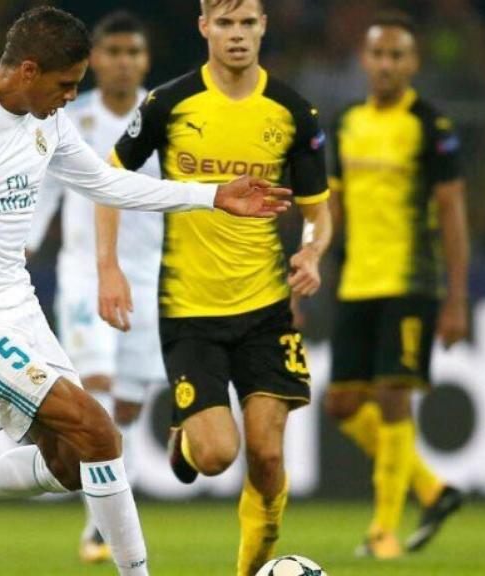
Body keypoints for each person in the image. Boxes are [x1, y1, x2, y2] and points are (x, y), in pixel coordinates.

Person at [0, 7, 291, 576]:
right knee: (99, 432)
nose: (71, 97)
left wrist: (211, 196)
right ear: (29, 70)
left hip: (19, 310)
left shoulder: (46, 118)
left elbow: (105, 182)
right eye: (65, 85)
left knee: (69, 464)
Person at [99, 0, 332, 574]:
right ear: (204, 27)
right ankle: (187, 435)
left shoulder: (294, 111)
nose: (236, 35)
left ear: (262, 28)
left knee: (269, 454)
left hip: (266, 306)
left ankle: (250, 570)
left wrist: (312, 249)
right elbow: (109, 178)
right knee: (216, 457)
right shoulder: (168, 104)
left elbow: (317, 209)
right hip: (189, 309)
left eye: (246, 23)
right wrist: (109, 266)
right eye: (224, 23)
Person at [324, 11, 468, 560]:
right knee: (340, 405)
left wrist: (455, 297)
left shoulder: (431, 126)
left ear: (413, 63)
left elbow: (451, 212)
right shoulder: (346, 123)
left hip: (412, 283)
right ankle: (432, 490)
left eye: (397, 56)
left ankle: (383, 530)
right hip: (356, 281)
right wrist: (314, 263)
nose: (386, 65)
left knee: (391, 396)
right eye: (378, 55)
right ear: (365, 60)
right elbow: (332, 206)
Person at [24, 10, 162, 565]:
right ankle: (99, 527)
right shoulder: (69, 119)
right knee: (96, 386)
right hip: (84, 274)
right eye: (114, 52)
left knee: (125, 406)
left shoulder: (164, 115)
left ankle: (101, 505)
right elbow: (47, 194)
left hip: (150, 276)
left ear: (144, 60)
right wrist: (24, 247)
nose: (123, 62)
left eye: (133, 52)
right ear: (95, 60)